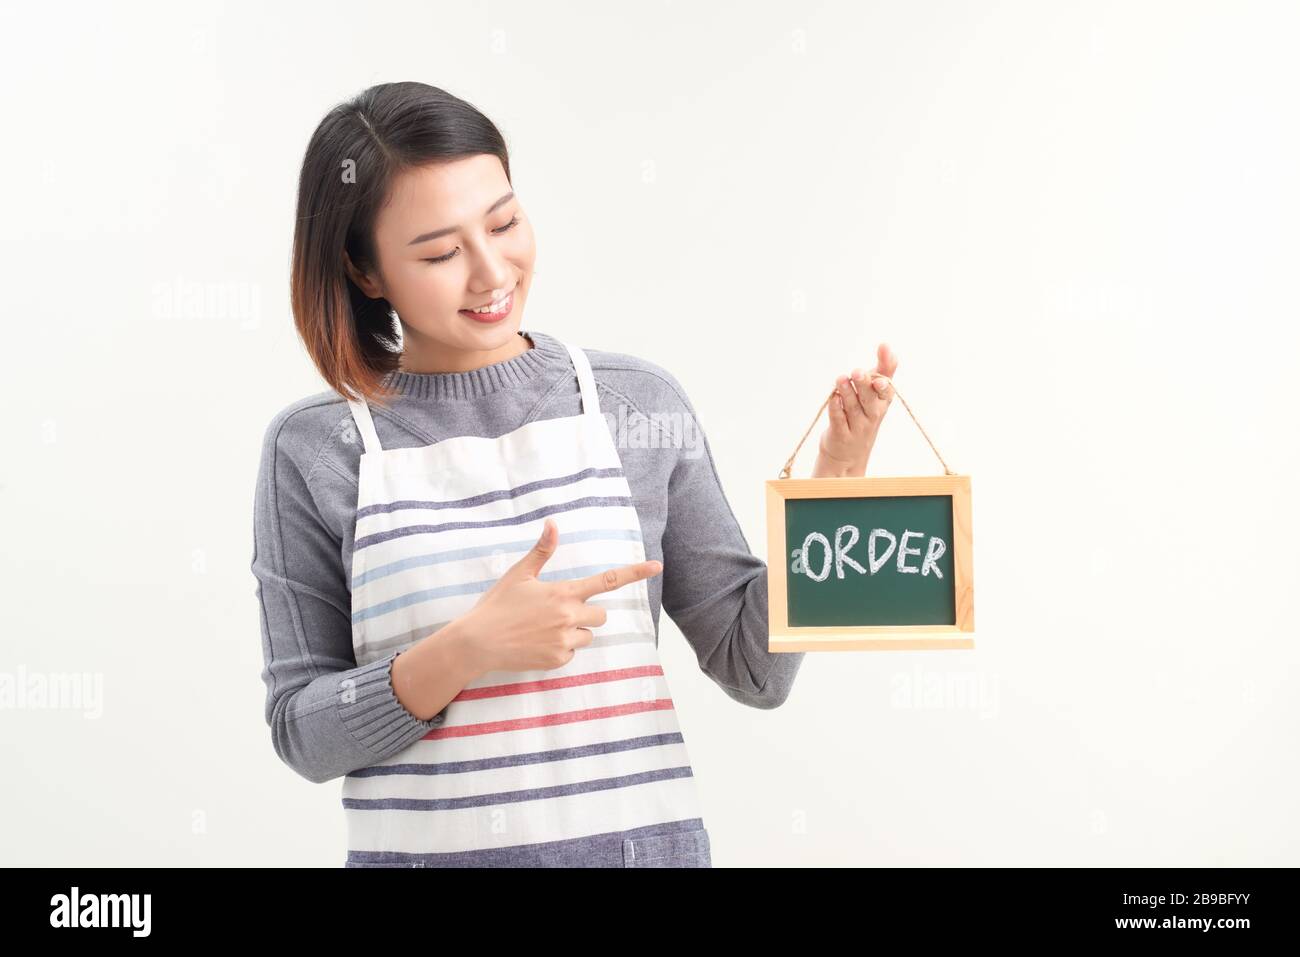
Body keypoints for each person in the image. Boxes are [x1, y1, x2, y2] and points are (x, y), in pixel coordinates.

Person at [251, 81, 899, 868]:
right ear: (364, 271)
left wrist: (833, 478)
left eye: (504, 222)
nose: (492, 272)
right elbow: (302, 733)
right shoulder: (317, 448)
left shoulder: (633, 404)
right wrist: (466, 648)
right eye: (441, 252)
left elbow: (756, 667)